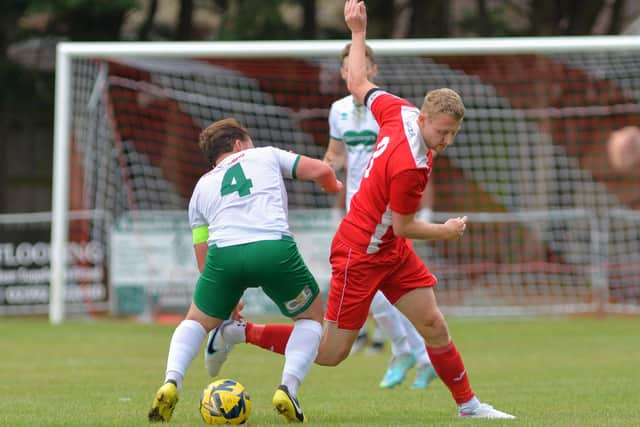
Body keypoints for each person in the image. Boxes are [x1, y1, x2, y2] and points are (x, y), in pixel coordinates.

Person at [207, 0, 516, 419]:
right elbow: (406, 225)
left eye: (453, 135)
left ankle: (469, 406)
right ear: (424, 118)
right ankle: (238, 333)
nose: (446, 142)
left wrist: (357, 31)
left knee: (433, 324)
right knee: (332, 352)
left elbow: (357, 83)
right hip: (360, 250)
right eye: (442, 133)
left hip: (388, 247)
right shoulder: (409, 167)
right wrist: (444, 230)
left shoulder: (398, 110)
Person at [147, 118, 343, 423]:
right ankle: (287, 388)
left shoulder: (201, 187)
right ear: (239, 143)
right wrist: (333, 185)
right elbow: (321, 170)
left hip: (225, 258)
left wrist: (227, 301)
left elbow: (203, 252)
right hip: (272, 251)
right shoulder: (265, 154)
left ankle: (171, 381)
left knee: (196, 321)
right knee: (311, 319)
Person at [323, 41, 438, 390]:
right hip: (356, 213)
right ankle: (415, 353)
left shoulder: (389, 110)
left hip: (389, 214)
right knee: (375, 293)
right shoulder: (338, 111)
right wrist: (323, 171)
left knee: (389, 290)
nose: (350, 72)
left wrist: (426, 210)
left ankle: (411, 351)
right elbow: (334, 155)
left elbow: (419, 161)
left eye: (356, 65)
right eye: (345, 68)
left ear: (371, 70)